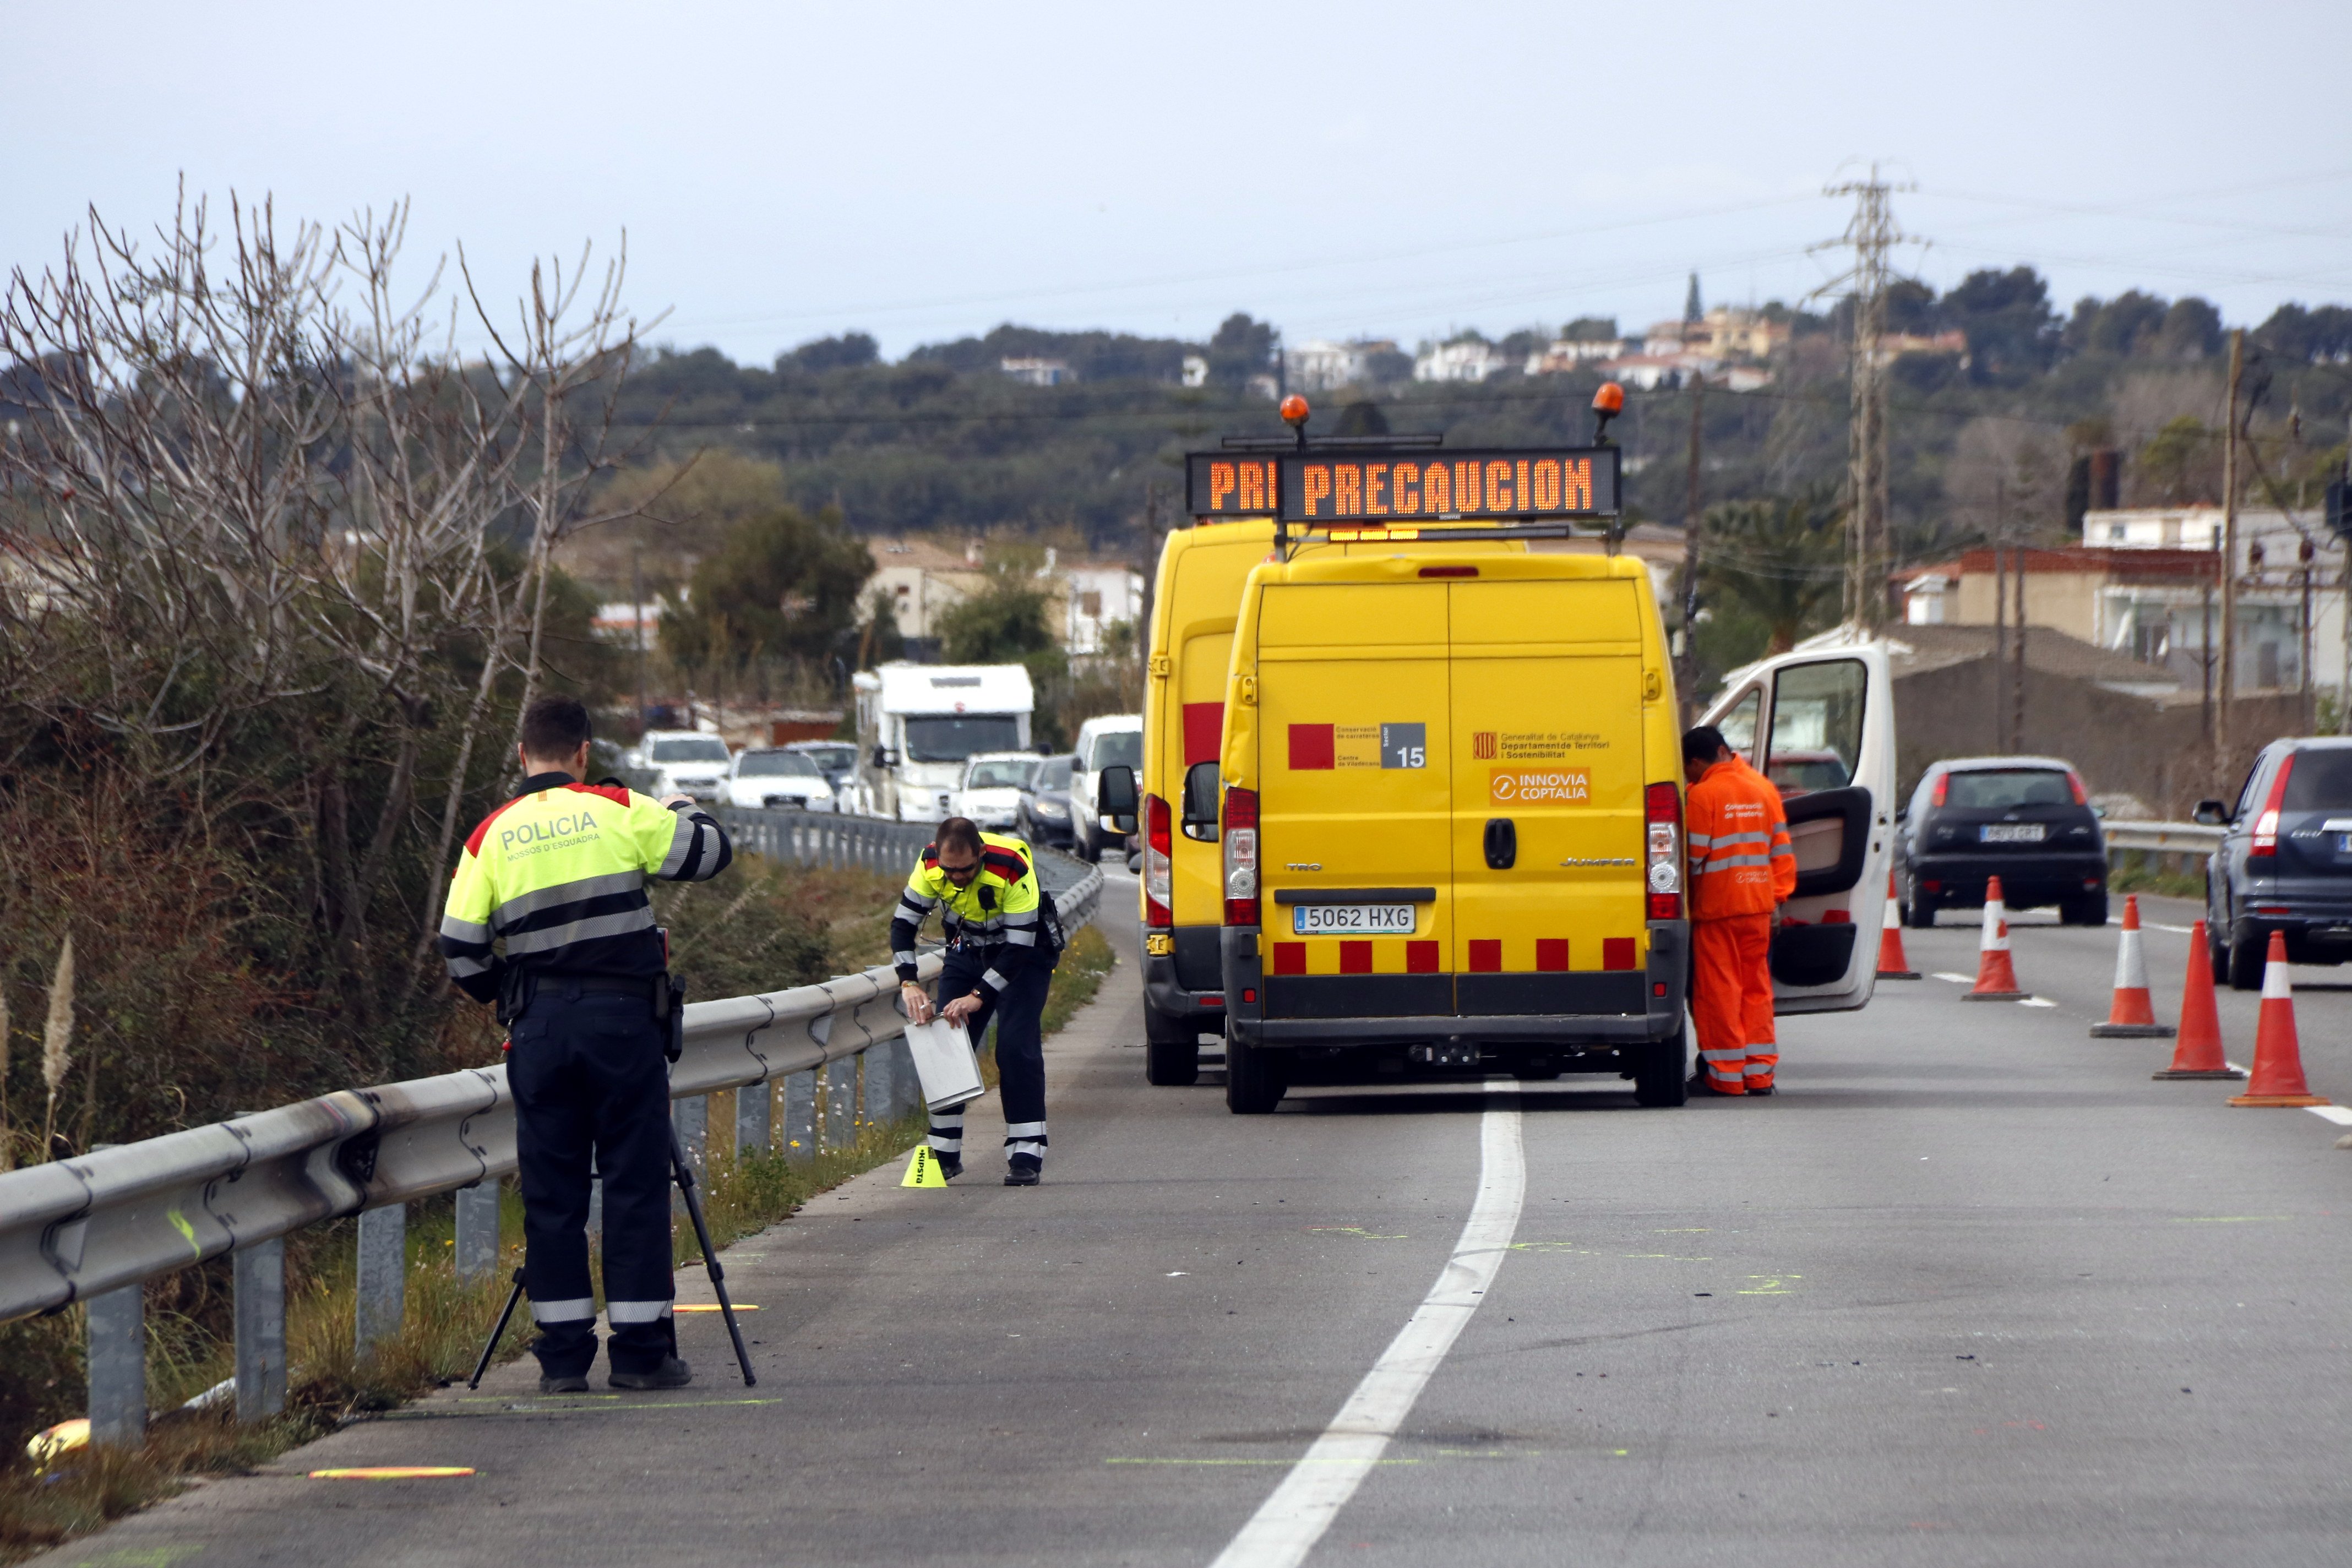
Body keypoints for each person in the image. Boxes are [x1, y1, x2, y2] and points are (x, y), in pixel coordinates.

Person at [439, 695, 734, 1393]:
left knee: (553, 1193)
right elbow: (711, 854)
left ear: (521, 755)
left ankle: (563, 1359)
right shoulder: (618, 807)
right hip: (622, 1025)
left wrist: (508, 999)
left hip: (538, 1029)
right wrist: (686, 807)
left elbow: (459, 945)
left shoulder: (490, 834)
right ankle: (640, 1356)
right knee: (634, 1183)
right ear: (583, 752)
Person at [891, 817, 1059, 1185]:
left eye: (965, 869)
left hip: (1023, 957)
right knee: (946, 1043)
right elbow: (903, 926)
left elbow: (1018, 948)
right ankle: (943, 1154)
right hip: (967, 950)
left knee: (1015, 1048)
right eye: (949, 870)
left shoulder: (1011, 865)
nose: (956, 877)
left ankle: (1026, 1149)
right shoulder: (930, 863)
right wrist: (909, 983)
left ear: (981, 853)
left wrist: (978, 996)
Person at [1682, 725, 1796, 1097]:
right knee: (1756, 990)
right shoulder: (1763, 788)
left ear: (1698, 762)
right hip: (1759, 908)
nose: (1689, 777)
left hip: (1718, 911)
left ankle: (1726, 1077)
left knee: (1720, 992)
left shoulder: (1703, 794)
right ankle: (1759, 1074)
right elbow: (1780, 851)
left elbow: (1693, 860)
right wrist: (1778, 896)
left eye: (1688, 770)